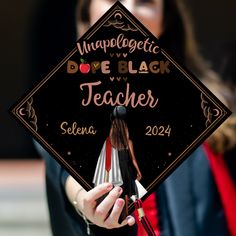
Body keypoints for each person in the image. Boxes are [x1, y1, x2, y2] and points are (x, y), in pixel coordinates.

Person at [33, 0, 236, 235]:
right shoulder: (62, 104)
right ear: (87, 14)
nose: (127, 11)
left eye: (145, 1)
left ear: (166, 20)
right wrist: (85, 201)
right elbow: (64, 168)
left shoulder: (210, 103)